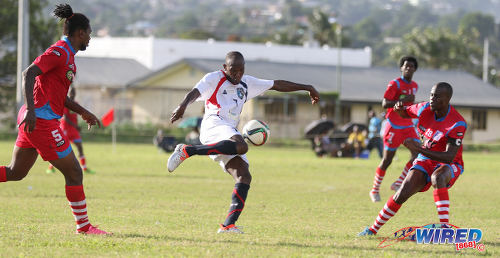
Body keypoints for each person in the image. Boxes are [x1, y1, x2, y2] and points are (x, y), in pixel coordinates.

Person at [167, 51, 320, 233]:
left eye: (241, 70)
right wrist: (183, 105)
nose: (237, 74)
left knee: (244, 175)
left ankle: (228, 225)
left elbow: (277, 84)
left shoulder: (246, 83)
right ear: (225, 68)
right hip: (213, 124)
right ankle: (187, 151)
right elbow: (195, 92)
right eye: (233, 70)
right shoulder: (214, 78)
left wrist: (307, 87)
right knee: (242, 145)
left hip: (228, 133)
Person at [0, 4, 110, 235]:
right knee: (75, 173)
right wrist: (30, 109)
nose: (90, 38)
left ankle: (84, 227)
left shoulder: (68, 56)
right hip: (39, 121)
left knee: (15, 173)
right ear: (80, 33)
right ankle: (84, 227)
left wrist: (82, 111)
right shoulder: (59, 52)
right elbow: (28, 73)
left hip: (35, 119)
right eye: (89, 33)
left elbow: (58, 96)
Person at [359, 82, 467, 236]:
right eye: (431, 95)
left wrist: (418, 149)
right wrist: (399, 108)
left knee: (438, 177)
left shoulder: (457, 123)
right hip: (425, 158)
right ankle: (372, 230)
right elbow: (405, 113)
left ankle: (445, 230)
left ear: (447, 99)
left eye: (437, 96)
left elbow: (449, 157)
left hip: (450, 163)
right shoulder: (424, 108)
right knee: (402, 192)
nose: (432, 99)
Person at [369, 56, 421, 202]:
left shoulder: (415, 85)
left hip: (408, 126)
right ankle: (375, 190)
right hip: (393, 126)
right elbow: (385, 103)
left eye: (412, 66)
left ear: (415, 69)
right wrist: (403, 100)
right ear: (401, 68)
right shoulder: (395, 84)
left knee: (418, 154)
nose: (408, 68)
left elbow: (409, 105)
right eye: (406, 66)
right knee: (387, 160)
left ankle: (399, 183)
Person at [46, 87, 95, 174]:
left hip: (74, 131)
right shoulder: (65, 103)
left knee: (80, 148)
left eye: (74, 92)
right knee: (59, 148)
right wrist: (76, 126)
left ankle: (84, 168)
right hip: (65, 129)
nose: (72, 94)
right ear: (68, 93)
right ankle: (50, 168)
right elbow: (65, 118)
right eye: (71, 92)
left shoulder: (75, 104)